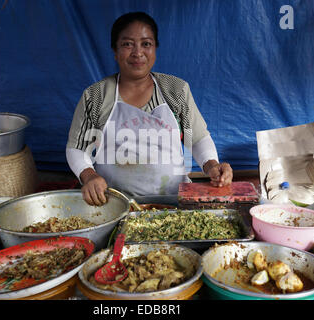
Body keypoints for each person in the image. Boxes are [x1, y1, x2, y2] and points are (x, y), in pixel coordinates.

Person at [66, 12, 233, 206]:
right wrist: (88, 176)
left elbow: (196, 139)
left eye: (146, 44)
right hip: (114, 204)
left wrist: (212, 165)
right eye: (128, 44)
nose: (138, 53)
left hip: (175, 201)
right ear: (115, 50)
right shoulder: (96, 96)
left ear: (155, 49)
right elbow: (77, 148)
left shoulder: (175, 89)